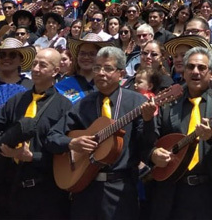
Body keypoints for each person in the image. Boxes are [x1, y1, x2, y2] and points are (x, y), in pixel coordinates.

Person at [45, 47, 159, 220]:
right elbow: (52, 137)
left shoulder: (137, 102)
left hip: (121, 190)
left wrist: (149, 120)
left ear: (121, 74)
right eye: (97, 68)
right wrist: (71, 144)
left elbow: (147, 145)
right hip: (85, 186)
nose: (100, 73)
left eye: (107, 68)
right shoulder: (84, 104)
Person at [149, 47, 212, 220]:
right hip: (175, 194)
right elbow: (152, 139)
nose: (195, 71)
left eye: (201, 68)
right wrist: (153, 154)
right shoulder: (169, 104)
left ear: (211, 74)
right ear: (184, 72)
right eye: (190, 67)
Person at [0, 47, 72, 220]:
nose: (36, 69)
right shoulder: (15, 101)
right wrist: (7, 148)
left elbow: (68, 154)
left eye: (43, 65)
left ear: (56, 71)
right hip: (11, 190)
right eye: (35, 63)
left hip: (46, 195)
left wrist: (32, 157)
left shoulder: (64, 107)